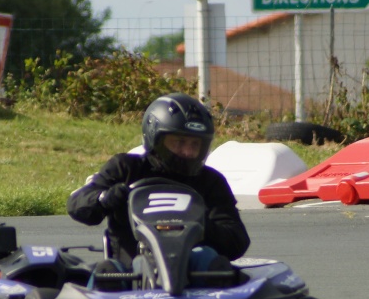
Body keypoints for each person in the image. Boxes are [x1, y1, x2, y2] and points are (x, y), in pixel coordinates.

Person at [67, 92, 250, 283]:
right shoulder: (126, 168)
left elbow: (237, 240)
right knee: (106, 274)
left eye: (195, 144)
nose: (188, 152)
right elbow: (77, 205)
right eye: (179, 142)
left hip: (191, 276)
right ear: (156, 138)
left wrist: (199, 223)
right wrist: (105, 199)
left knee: (209, 260)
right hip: (130, 276)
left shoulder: (211, 181)